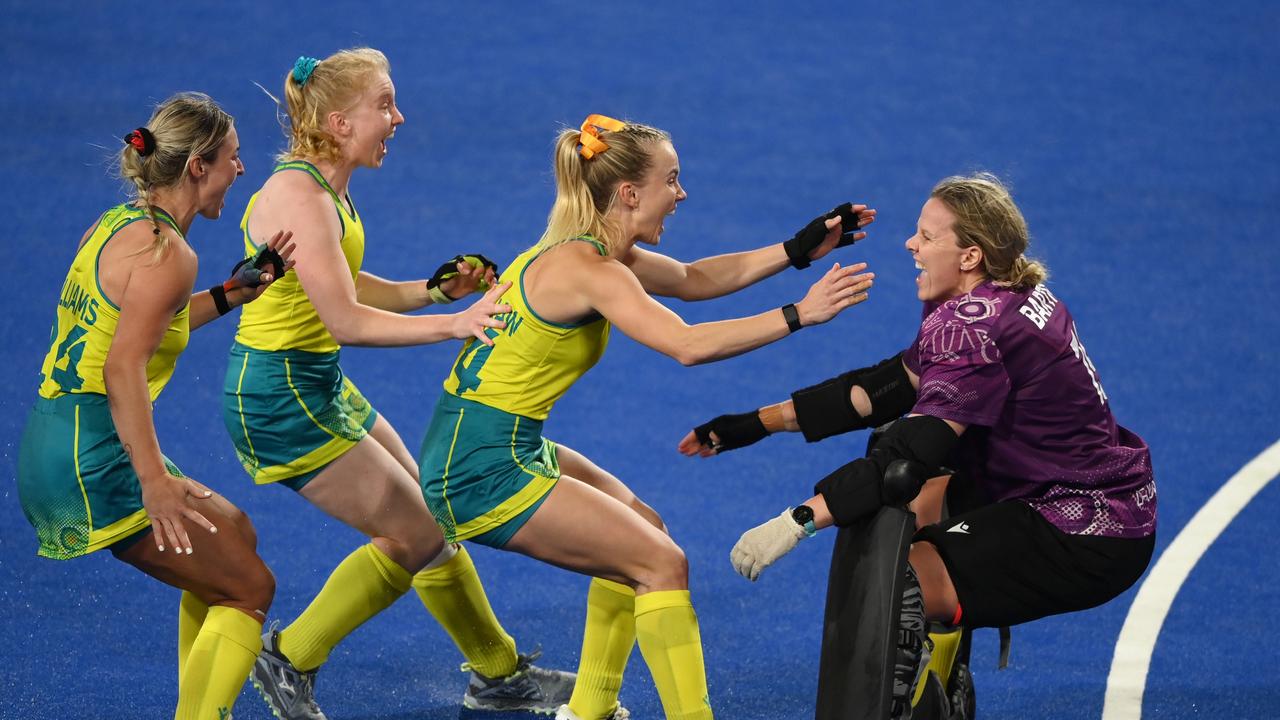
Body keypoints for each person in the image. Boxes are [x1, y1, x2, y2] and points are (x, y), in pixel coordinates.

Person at [418, 113, 877, 720]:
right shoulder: (591, 270)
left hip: (494, 442)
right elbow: (687, 344)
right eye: (673, 180)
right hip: (479, 466)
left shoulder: (592, 250)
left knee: (645, 532)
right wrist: (800, 313)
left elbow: (692, 279)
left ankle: (587, 710)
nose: (681, 194)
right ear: (630, 193)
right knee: (661, 563)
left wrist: (798, 250)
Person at [680, 173, 1157, 719]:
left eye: (927, 237)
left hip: (1085, 528)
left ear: (971, 255)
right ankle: (949, 676)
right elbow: (881, 391)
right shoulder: (997, 296)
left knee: (901, 583)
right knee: (915, 493)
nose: (911, 244)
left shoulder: (973, 330)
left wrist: (797, 521)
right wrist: (754, 423)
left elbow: (899, 464)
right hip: (1069, 489)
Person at [220, 48, 576, 720]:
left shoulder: (325, 187)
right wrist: (456, 325)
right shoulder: (297, 195)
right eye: (383, 104)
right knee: (414, 534)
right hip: (279, 399)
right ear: (338, 121)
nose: (398, 116)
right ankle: (289, 657)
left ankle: (498, 674)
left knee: (431, 520)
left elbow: (347, 284)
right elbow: (346, 320)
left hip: (312, 382)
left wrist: (436, 291)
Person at [17, 92, 295, 720]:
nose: (242, 170)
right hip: (93, 457)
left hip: (58, 438)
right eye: (234, 156)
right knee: (251, 587)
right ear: (198, 167)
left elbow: (146, 324)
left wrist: (233, 291)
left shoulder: (116, 226)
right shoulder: (170, 255)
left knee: (236, 537)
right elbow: (123, 368)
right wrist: (155, 483)